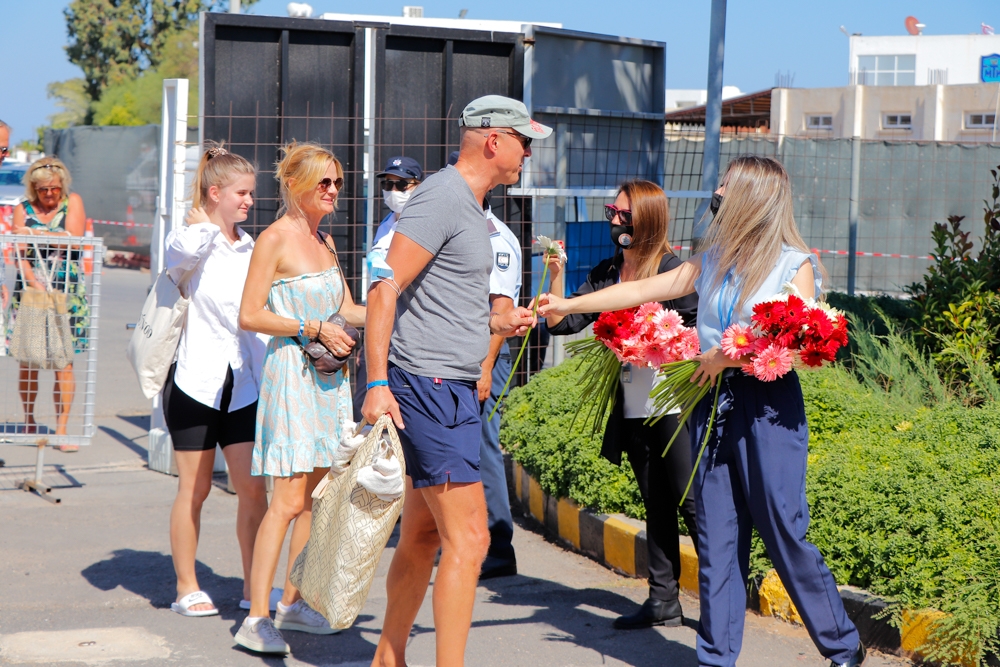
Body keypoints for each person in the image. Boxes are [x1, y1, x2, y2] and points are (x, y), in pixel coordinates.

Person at [537, 155, 866, 667]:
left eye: (725, 186)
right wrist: (567, 306)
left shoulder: (792, 263)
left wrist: (727, 355)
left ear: (752, 197)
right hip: (706, 400)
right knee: (717, 537)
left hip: (767, 406)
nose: (716, 192)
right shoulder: (711, 256)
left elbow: (800, 345)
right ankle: (715, 657)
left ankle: (843, 647)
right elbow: (642, 289)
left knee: (782, 529)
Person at [361, 95, 546, 667]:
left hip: (449, 387)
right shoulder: (441, 197)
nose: (528, 154)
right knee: (472, 540)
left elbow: (436, 298)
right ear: (493, 140)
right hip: (432, 388)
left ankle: (388, 659)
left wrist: (498, 319)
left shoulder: (469, 204)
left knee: (422, 536)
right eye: (524, 142)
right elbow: (383, 288)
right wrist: (374, 383)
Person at [543, 179, 700, 629]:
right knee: (655, 502)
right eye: (612, 210)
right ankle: (663, 600)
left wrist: (654, 338)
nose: (613, 219)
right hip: (633, 402)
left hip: (675, 402)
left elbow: (695, 332)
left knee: (692, 505)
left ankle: (722, 601)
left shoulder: (675, 270)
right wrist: (557, 274)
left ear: (645, 219)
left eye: (622, 214)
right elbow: (563, 321)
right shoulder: (609, 271)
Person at [236, 142, 365, 654]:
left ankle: (292, 603)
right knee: (286, 502)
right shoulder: (274, 239)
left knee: (314, 497)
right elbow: (250, 315)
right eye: (323, 182)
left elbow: (349, 310)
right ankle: (256, 616)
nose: (334, 190)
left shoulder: (326, 240)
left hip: (330, 381)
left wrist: (397, 298)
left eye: (337, 181)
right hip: (293, 374)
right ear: (294, 185)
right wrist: (309, 325)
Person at [161, 145, 269, 618]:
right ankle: (186, 586)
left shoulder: (251, 247)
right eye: (242, 193)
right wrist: (204, 222)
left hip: (243, 383)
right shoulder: (190, 238)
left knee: (252, 490)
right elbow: (178, 259)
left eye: (251, 193)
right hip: (194, 382)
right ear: (215, 193)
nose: (249, 201)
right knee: (195, 488)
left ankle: (254, 588)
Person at [442, 150, 525, 581]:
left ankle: (498, 545)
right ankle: (462, 536)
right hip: (450, 355)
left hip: (483, 356)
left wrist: (485, 367)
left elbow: (500, 311)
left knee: (481, 448)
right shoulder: (448, 222)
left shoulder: (499, 238)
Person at [10, 157, 89, 448]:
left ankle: (62, 429)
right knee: (29, 361)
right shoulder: (22, 208)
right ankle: (29, 420)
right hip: (31, 290)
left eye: (54, 189)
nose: (50, 194)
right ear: (33, 188)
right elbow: (19, 251)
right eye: (43, 190)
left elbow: (73, 241)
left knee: (63, 363)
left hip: (66, 291)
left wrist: (33, 233)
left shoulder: (73, 202)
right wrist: (32, 279)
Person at [354, 156, 424, 420]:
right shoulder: (386, 225)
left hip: (408, 333)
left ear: (418, 186)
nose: (393, 191)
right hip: (382, 329)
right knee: (366, 413)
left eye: (402, 185)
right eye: (388, 185)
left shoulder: (421, 225)